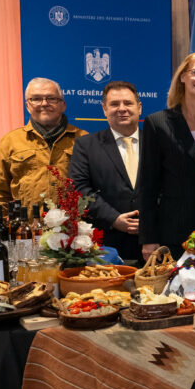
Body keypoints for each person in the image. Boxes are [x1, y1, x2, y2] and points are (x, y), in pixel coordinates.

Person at [139, 52, 195, 261]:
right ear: (183, 76)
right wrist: (148, 238)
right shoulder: (158, 123)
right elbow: (147, 186)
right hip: (173, 233)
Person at [69, 81, 144, 262]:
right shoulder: (86, 145)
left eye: (128, 103)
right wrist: (114, 218)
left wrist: (151, 220)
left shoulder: (158, 142)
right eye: (114, 104)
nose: (122, 108)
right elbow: (80, 188)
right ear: (104, 109)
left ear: (139, 107)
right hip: (106, 248)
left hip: (153, 244)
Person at [0, 77, 88, 209]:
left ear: (63, 105)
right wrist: (2, 226)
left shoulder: (84, 139)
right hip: (26, 227)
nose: (44, 103)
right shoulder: (10, 141)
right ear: (27, 106)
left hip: (73, 227)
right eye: (36, 99)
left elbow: (96, 188)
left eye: (51, 98)